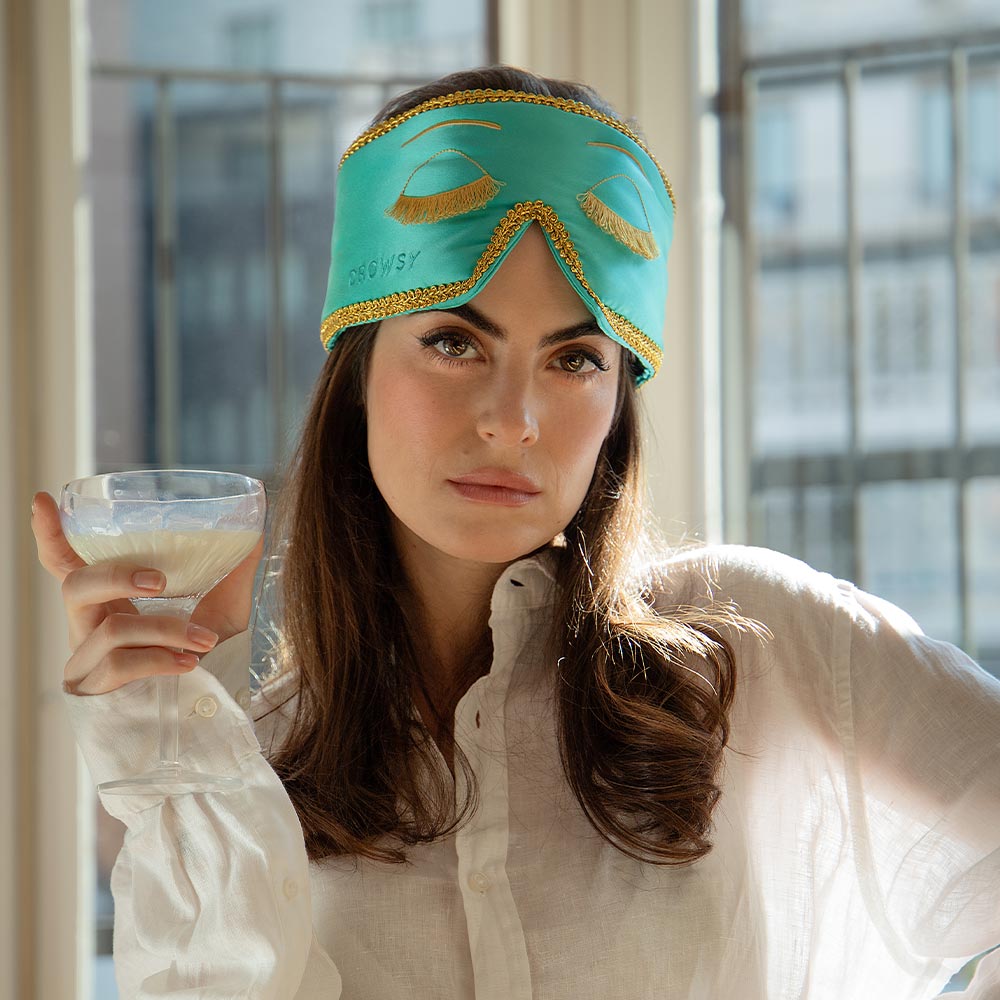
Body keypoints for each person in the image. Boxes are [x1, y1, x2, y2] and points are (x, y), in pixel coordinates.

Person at [31, 65, 1000, 999]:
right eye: (455, 342)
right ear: (357, 372)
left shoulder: (759, 648)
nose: (513, 420)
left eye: (574, 359)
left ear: (618, 403)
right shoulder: (257, 770)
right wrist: (173, 742)